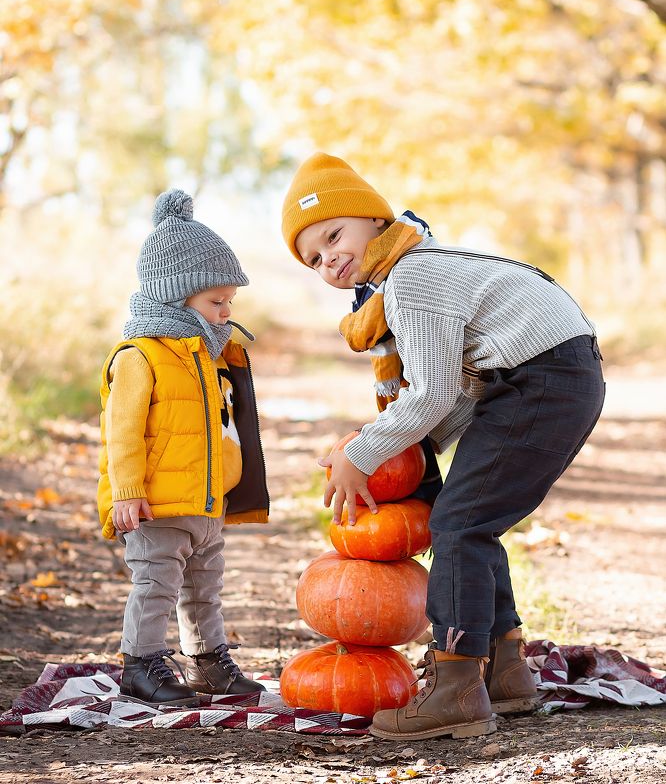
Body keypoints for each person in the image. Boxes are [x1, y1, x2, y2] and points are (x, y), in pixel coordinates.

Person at [281, 153, 605, 741]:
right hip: (541, 375)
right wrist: (407, 453)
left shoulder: (409, 279)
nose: (328, 257)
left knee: (459, 524)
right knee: (469, 514)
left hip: (544, 377)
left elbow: (432, 394)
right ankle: (505, 673)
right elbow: (453, 392)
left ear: (374, 220)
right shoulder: (415, 268)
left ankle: (456, 685)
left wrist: (365, 452)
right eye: (314, 259)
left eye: (334, 235)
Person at [98, 188, 269, 707]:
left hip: (205, 501)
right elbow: (121, 432)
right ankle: (141, 663)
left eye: (229, 304)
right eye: (216, 303)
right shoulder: (139, 356)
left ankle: (207, 662)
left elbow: (222, 428)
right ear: (175, 296)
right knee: (156, 586)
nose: (225, 313)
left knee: (203, 588)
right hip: (156, 503)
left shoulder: (210, 357)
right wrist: (127, 491)